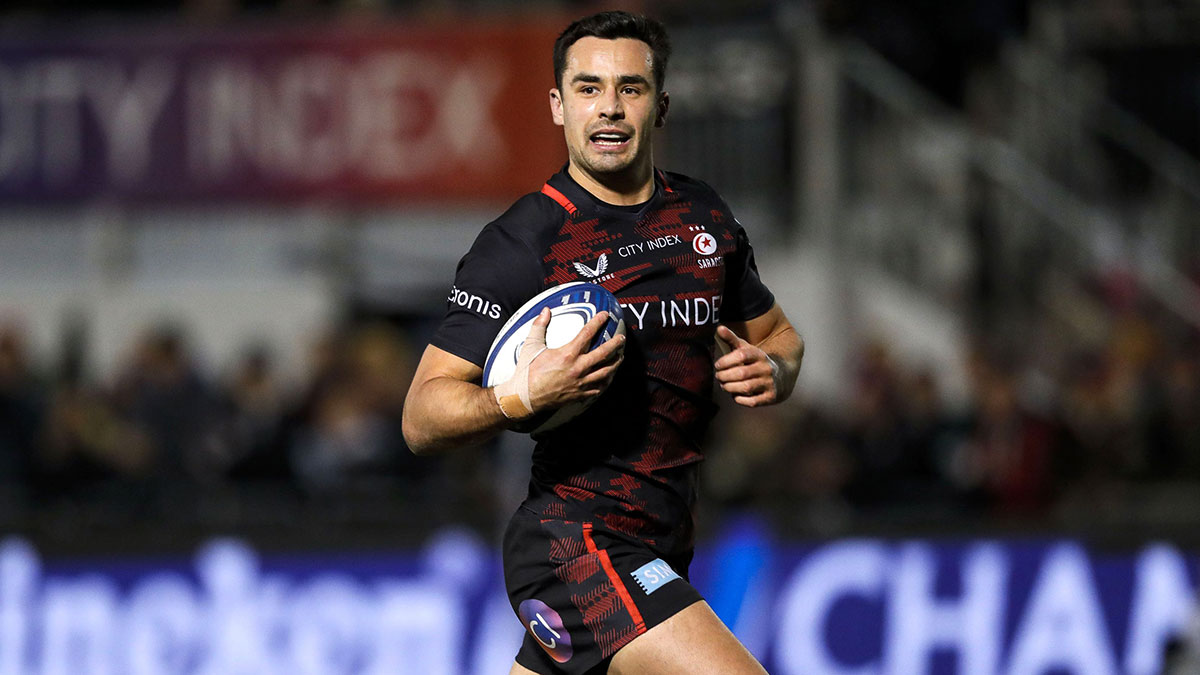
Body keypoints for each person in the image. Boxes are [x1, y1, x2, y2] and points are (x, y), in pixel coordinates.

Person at [403, 11, 803, 674]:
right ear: (559, 106)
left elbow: (779, 336)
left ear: (661, 104)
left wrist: (776, 369)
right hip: (575, 544)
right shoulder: (524, 242)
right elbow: (421, 416)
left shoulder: (703, 219)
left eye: (630, 88)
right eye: (588, 89)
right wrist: (520, 395)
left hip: (663, 543)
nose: (609, 108)